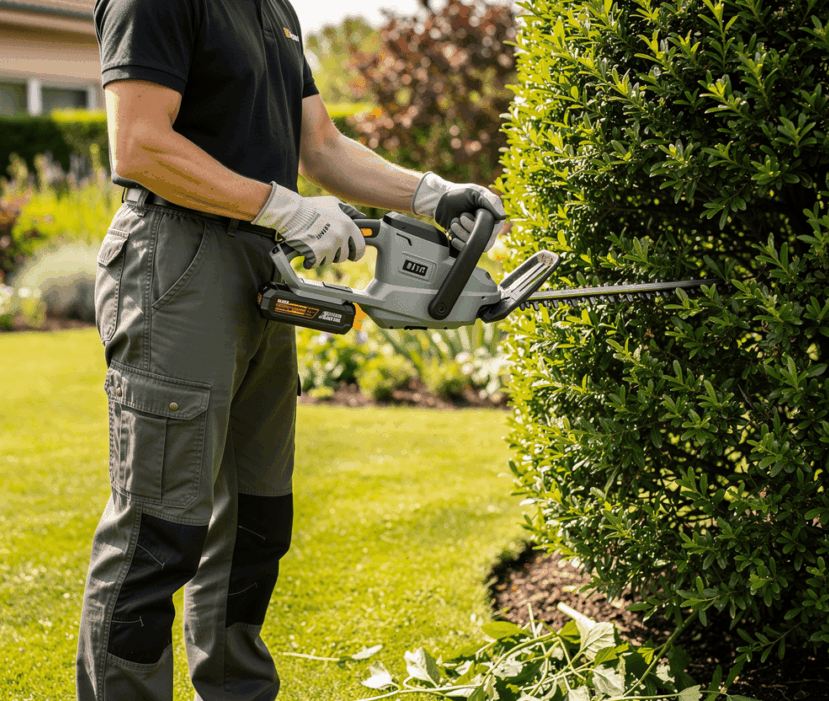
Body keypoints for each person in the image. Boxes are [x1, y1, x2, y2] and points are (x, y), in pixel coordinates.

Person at [77, 0, 507, 699]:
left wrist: (429, 194)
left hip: (261, 265)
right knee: (160, 528)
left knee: (258, 518)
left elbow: (322, 145)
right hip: (175, 260)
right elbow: (141, 146)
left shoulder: (272, 8)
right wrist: (286, 207)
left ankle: (238, 688)